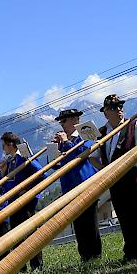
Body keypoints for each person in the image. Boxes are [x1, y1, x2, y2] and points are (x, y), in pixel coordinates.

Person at [92, 94, 137, 264]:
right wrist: (106, 170)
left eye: (120, 106)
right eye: (113, 107)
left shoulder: (134, 125)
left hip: (132, 175)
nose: (118, 110)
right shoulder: (101, 133)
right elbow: (93, 157)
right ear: (105, 113)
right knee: (123, 215)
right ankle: (130, 251)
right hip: (114, 180)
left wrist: (130, 164)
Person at [51, 109, 102, 262]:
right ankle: (84, 255)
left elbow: (82, 153)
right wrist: (54, 149)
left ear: (74, 121)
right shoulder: (64, 142)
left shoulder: (85, 135)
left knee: (90, 222)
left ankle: (95, 254)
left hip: (85, 184)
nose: (61, 125)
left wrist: (66, 142)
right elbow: (55, 166)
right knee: (78, 223)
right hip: (69, 186)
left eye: (63, 121)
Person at [0, 132, 46, 271]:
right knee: (16, 235)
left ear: (11, 145)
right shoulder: (11, 160)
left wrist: (28, 190)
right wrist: (3, 172)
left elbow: (41, 174)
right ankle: (21, 267)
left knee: (30, 233)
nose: (3, 149)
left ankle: (36, 266)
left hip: (25, 202)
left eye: (4, 145)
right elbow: (6, 184)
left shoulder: (23, 157)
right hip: (13, 201)